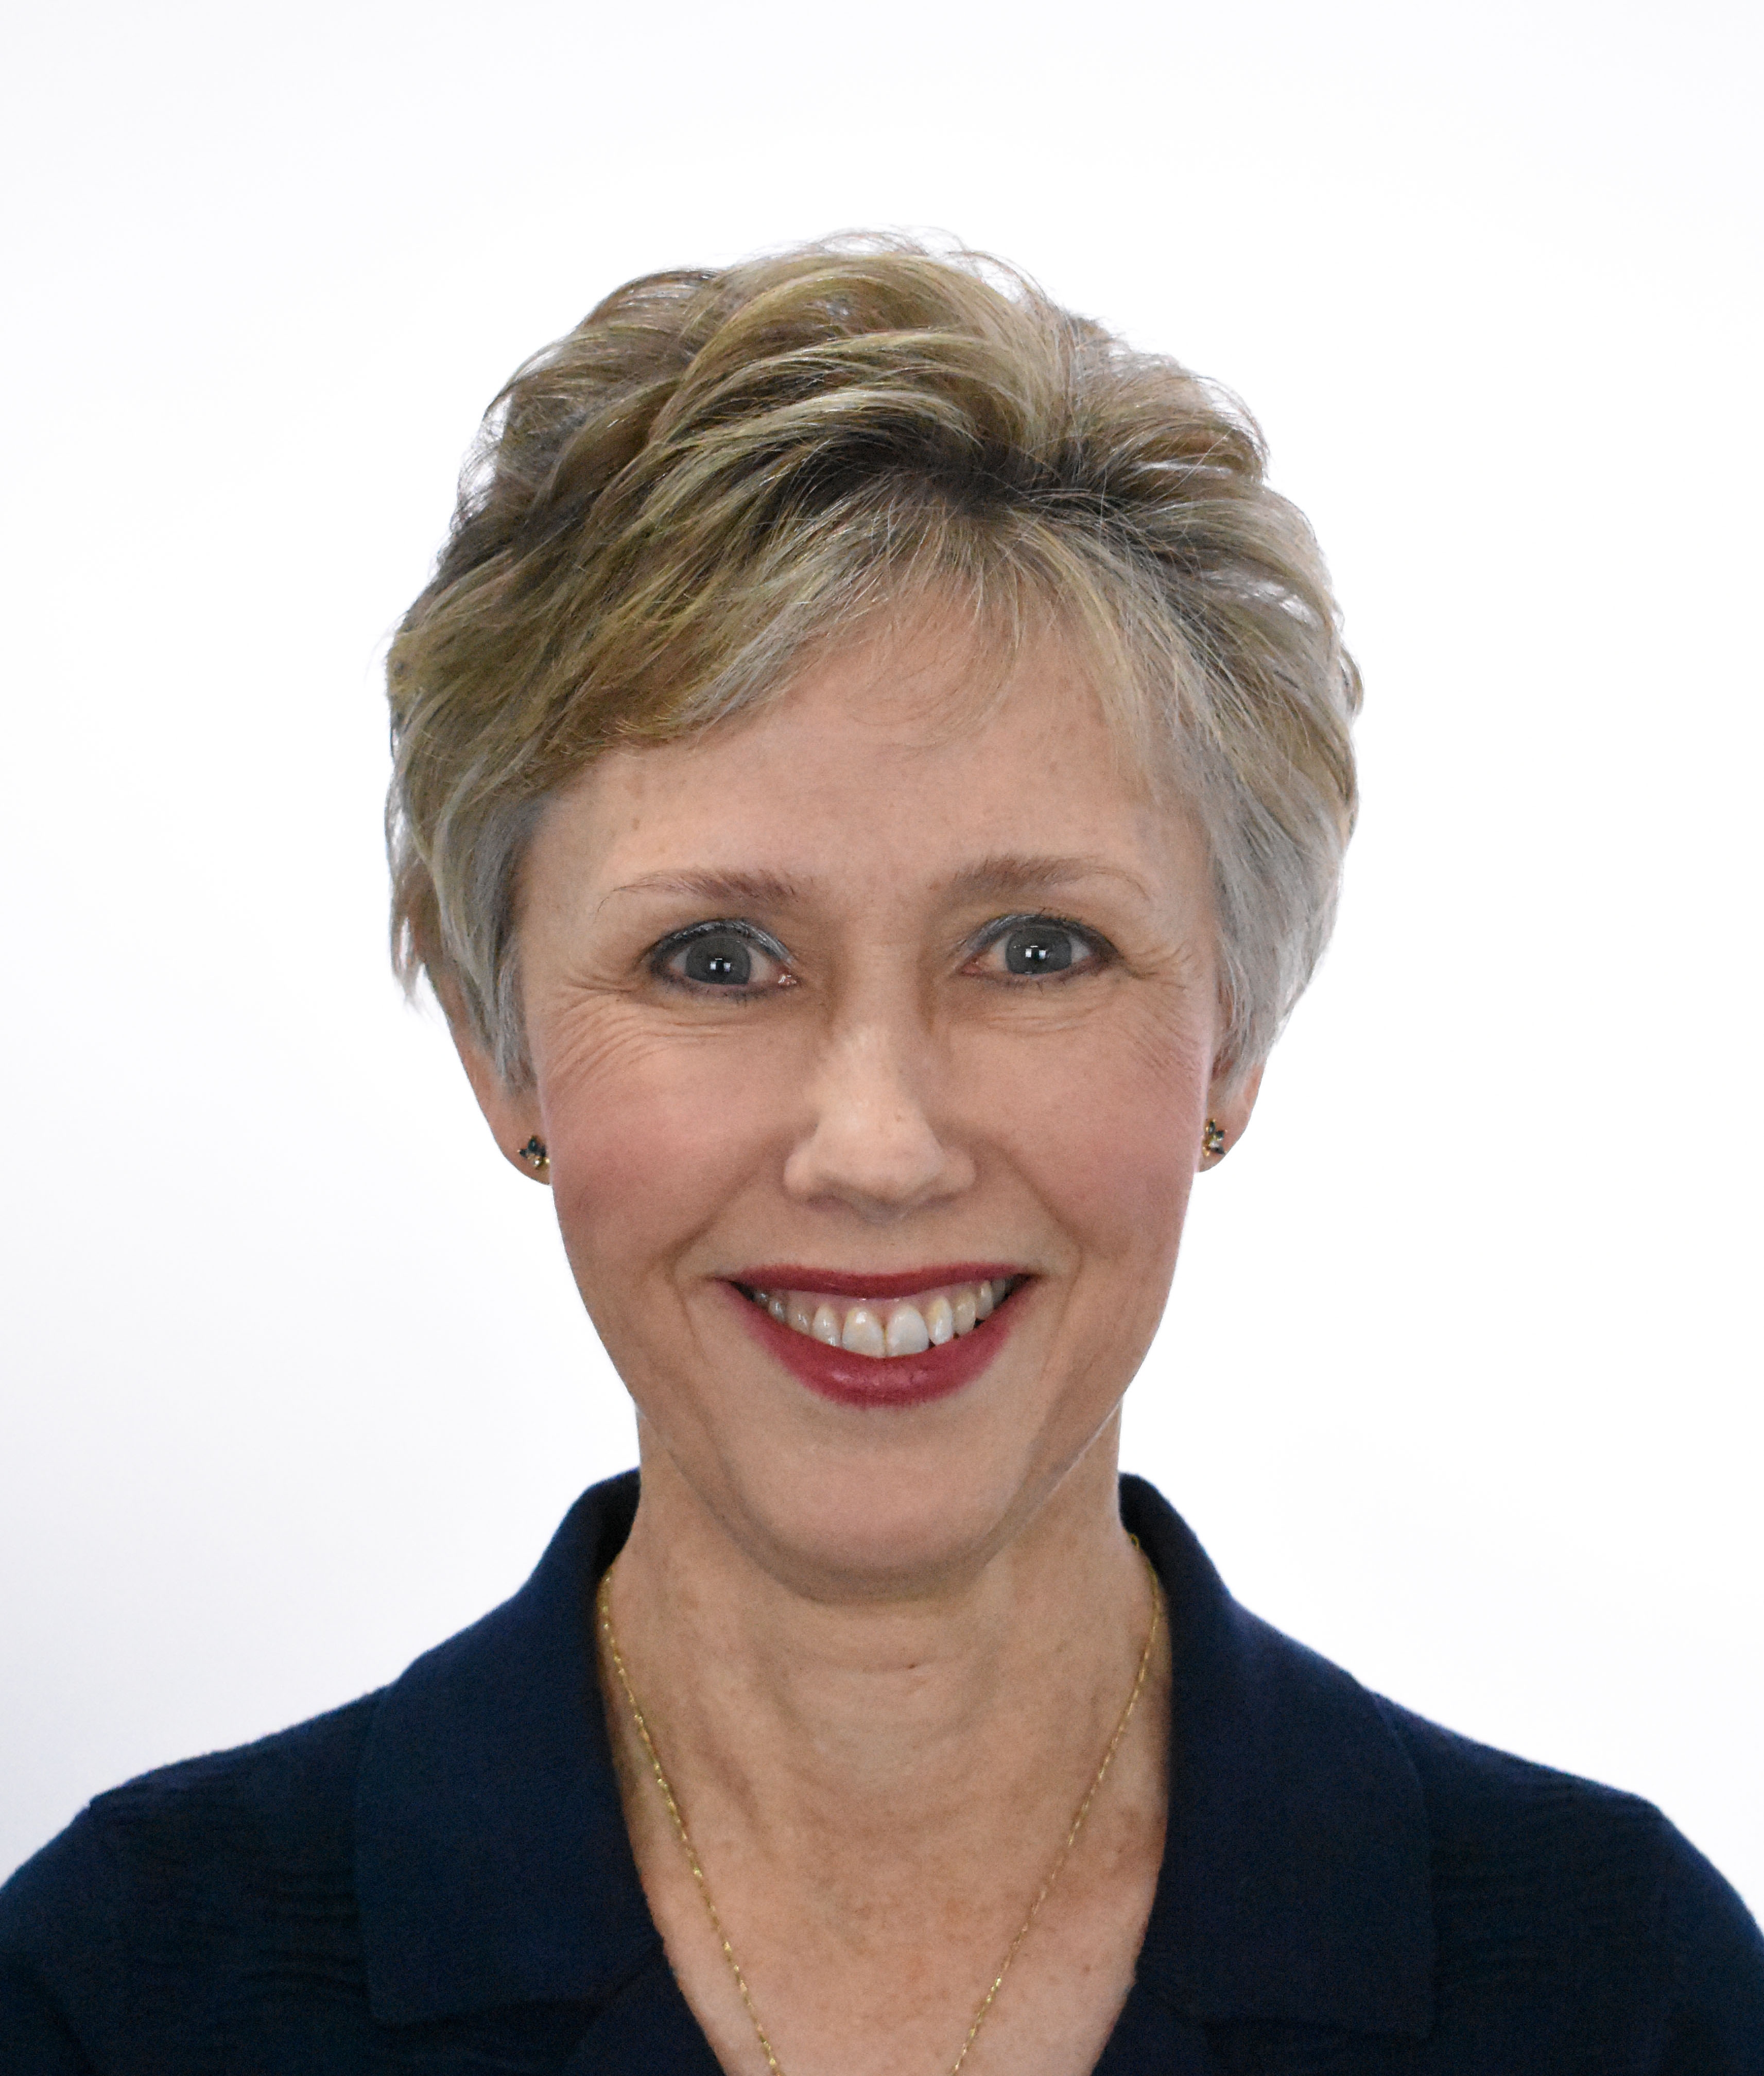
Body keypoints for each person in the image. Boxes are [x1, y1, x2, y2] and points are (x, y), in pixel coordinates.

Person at [2, 236, 1759, 2075]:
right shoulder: (125, 1995)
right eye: (714, 959)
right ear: (491, 1039)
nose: (878, 1144)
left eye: (1035, 950)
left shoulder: (1614, 1996)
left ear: (1229, 1035)